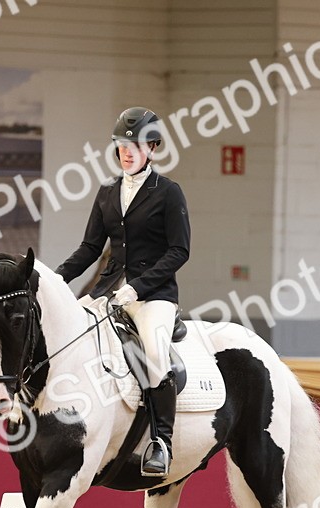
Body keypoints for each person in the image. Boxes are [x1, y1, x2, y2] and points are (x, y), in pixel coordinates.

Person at [56, 107, 191, 478]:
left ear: (152, 148)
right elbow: (90, 248)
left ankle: (160, 442)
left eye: (135, 146)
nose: (127, 152)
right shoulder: (107, 192)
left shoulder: (169, 193)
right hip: (108, 291)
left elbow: (179, 251)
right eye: (121, 146)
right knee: (70, 339)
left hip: (153, 296)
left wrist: (138, 287)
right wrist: (55, 279)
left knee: (155, 353)